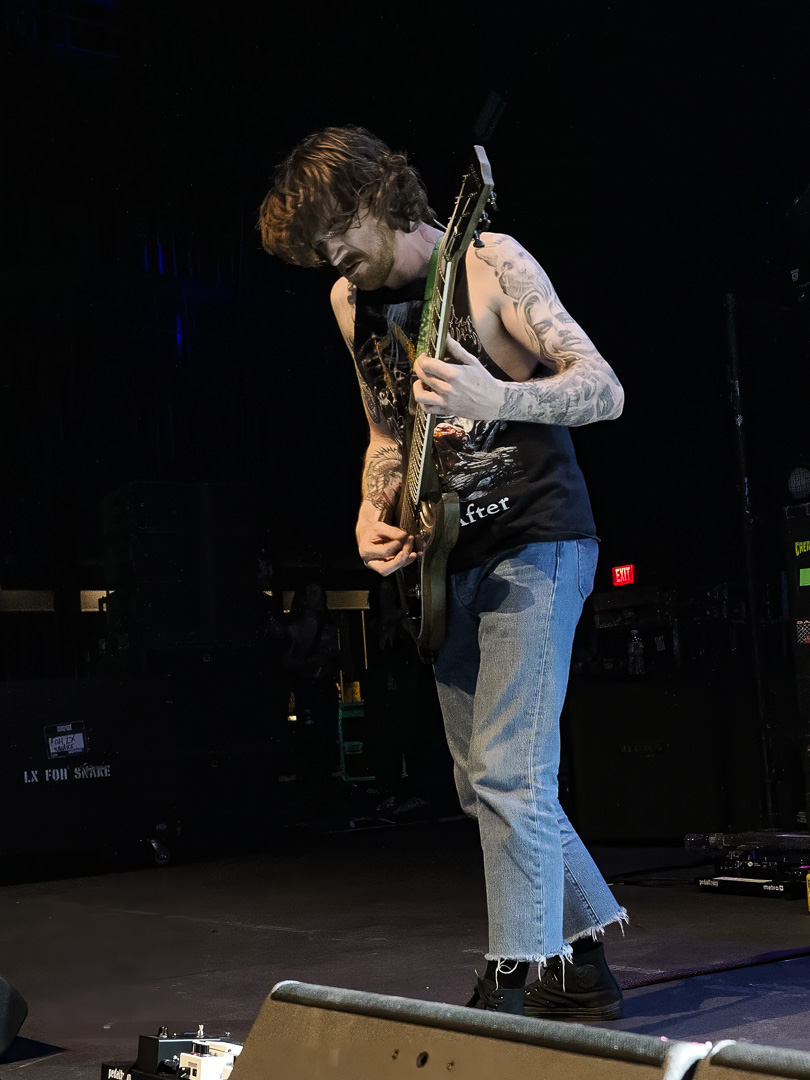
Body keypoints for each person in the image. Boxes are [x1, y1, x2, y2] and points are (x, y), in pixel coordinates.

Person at [258, 125, 628, 1019]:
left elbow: (605, 389)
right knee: (485, 783)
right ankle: (583, 962)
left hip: (538, 541)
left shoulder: (492, 265)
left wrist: (498, 396)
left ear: (373, 196)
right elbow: (385, 430)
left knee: (509, 773)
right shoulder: (350, 301)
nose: (330, 260)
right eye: (315, 252)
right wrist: (370, 508)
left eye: (334, 236)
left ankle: (510, 984)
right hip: (444, 562)